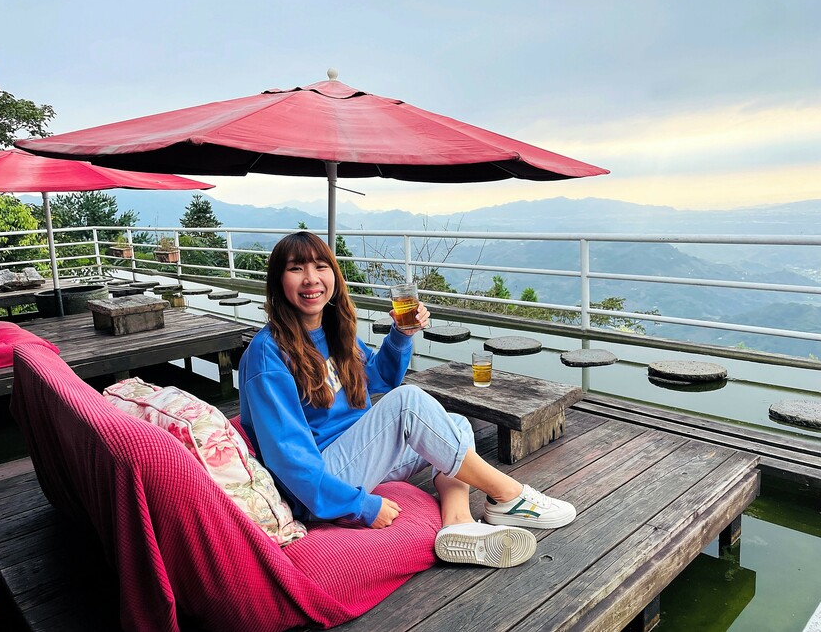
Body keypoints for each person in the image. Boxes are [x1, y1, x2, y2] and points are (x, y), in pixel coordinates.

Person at [238, 231, 576, 568]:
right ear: (278, 280)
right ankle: (509, 495)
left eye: (320, 267)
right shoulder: (268, 355)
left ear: (334, 276)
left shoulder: (333, 331)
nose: (311, 278)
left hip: (358, 457)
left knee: (456, 425)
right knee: (409, 402)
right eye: (296, 268)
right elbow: (290, 459)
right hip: (318, 486)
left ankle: (457, 523)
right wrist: (361, 507)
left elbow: (379, 378)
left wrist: (401, 334)